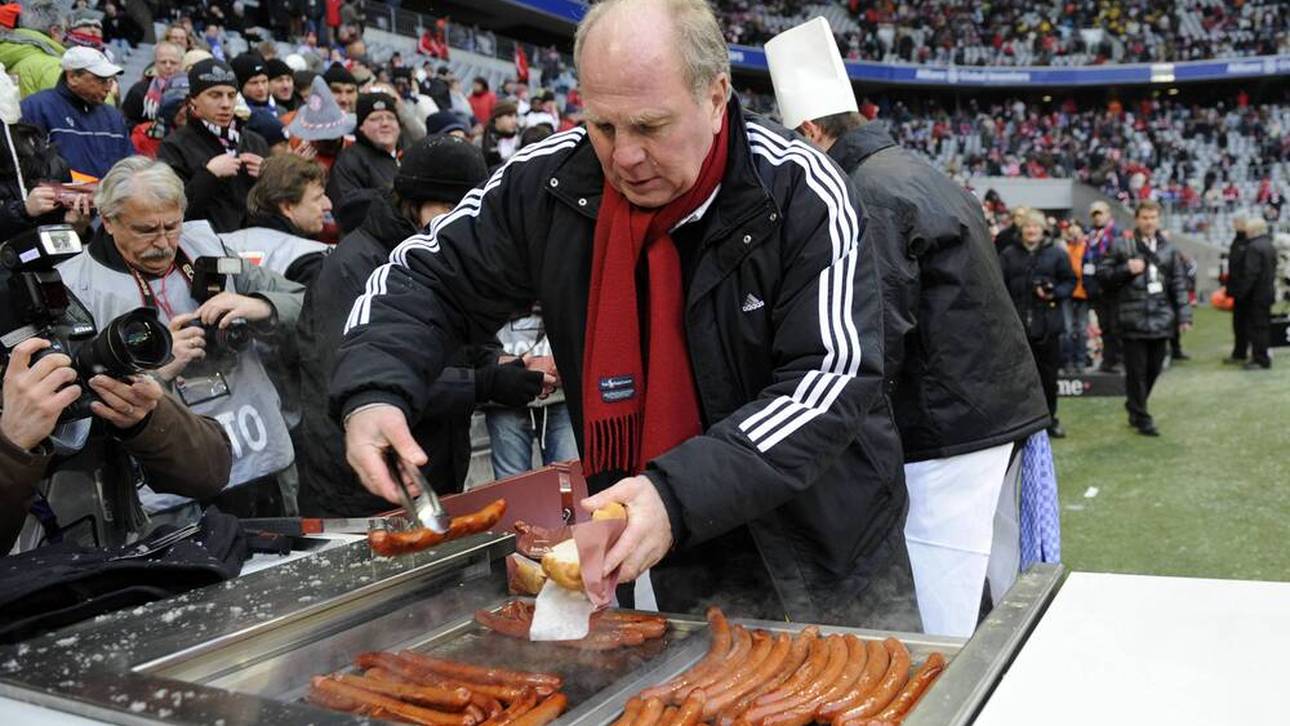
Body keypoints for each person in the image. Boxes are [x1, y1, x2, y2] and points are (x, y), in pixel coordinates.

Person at [332, 0, 918, 629]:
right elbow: (424, 276)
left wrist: (677, 493)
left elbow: (828, 377)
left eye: (651, 126)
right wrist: (373, 389)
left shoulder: (804, 194)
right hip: (653, 545)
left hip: (815, 555)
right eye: (604, 126)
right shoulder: (548, 181)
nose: (625, 157)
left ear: (717, 96)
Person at [766, 17, 1048, 638]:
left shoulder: (864, 192)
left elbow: (877, 331)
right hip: (997, 407)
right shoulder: (918, 170)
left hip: (947, 424)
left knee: (939, 595)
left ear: (813, 131)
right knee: (1007, 588)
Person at [296, 135, 549, 516]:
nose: (459, 221)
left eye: (470, 208)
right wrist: (484, 384)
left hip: (432, 467)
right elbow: (359, 378)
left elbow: (456, 331)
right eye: (448, 207)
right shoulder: (353, 267)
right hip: (365, 486)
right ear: (412, 204)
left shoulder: (451, 259)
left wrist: (498, 361)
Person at [56, 156, 305, 519]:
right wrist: (158, 369)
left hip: (259, 455)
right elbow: (73, 410)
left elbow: (304, 300)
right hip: (169, 492)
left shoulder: (207, 245)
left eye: (171, 225)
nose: (163, 243)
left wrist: (258, 305)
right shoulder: (74, 286)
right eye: (145, 230)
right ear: (108, 221)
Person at [0, 293, 230, 555]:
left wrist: (147, 421)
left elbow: (210, 474)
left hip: (117, 565)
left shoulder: (49, 303)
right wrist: (13, 445)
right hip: (30, 584)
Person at [1096, 201, 1192, 437]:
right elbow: (1103, 276)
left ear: (1158, 220)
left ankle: (1134, 405)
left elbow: (1179, 284)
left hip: (1161, 318)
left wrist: (1184, 315)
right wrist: (1126, 269)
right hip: (1132, 318)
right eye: (1145, 217)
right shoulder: (1122, 245)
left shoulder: (1169, 249)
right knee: (1136, 371)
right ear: (1136, 219)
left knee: (1154, 368)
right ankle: (1141, 415)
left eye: (1153, 217)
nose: (1149, 222)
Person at [157, 58, 270, 233]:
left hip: (253, 246)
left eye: (231, 95)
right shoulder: (174, 145)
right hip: (202, 250)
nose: (225, 104)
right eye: (215, 95)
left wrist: (270, 177)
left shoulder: (255, 142)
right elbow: (172, 212)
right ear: (193, 100)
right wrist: (209, 175)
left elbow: (277, 208)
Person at [999, 210, 1076, 439]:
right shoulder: (1008, 254)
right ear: (1021, 229)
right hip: (1017, 327)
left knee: (1048, 377)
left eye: (1035, 226)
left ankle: (1050, 419)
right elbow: (999, 286)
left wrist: (1054, 292)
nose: (1031, 230)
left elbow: (1070, 281)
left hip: (1048, 326)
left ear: (1043, 229)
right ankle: (1022, 422)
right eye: (1027, 226)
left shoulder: (1056, 254)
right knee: (1018, 378)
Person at [19, 46, 132, 180]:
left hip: (106, 199)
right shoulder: (36, 107)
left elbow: (129, 165)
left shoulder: (113, 117)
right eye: (101, 80)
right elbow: (25, 166)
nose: (108, 87)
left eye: (111, 80)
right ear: (72, 77)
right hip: (57, 198)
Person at [228, 154, 331, 283]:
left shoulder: (221, 244)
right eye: (317, 198)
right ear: (287, 207)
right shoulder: (310, 257)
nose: (328, 206)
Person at [325, 92, 399, 212]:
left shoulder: (409, 155)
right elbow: (347, 206)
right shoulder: (349, 161)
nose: (385, 123)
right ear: (361, 127)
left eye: (391, 118)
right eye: (375, 119)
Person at [1228, 217, 1275, 370]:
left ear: (1253, 230)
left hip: (1255, 296)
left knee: (1256, 329)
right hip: (1267, 293)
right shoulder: (1268, 245)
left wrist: (1241, 293)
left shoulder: (1253, 247)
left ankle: (1260, 359)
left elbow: (1250, 274)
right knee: (1262, 327)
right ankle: (1261, 357)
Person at [0, 0, 68, 98]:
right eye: (65, 35)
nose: (64, 41)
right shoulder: (52, 66)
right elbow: (64, 110)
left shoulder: (7, 53)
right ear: (55, 31)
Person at [1085, 200, 1121, 372]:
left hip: (1113, 285)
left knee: (1116, 326)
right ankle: (1108, 360)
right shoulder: (1090, 235)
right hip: (1097, 287)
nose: (1098, 218)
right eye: (1095, 215)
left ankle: (1119, 359)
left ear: (1108, 214)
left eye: (1101, 214)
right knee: (1104, 326)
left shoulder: (1116, 234)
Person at [122, 41, 183, 129]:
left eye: (173, 63)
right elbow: (126, 121)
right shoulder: (139, 90)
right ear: (155, 64)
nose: (168, 66)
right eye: (163, 62)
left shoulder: (190, 91)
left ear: (181, 64)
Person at [131, 74, 188, 158]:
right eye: (178, 105)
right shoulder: (143, 135)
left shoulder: (206, 138)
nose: (183, 111)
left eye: (190, 105)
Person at [1063, 222, 1091, 373]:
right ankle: (1067, 361)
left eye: (1077, 232)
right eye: (1071, 232)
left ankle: (1080, 361)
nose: (1074, 235)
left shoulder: (1087, 249)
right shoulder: (1063, 249)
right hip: (1067, 294)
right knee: (1066, 330)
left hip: (1083, 294)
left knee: (1082, 330)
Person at [1224, 217, 1252, 364]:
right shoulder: (1237, 242)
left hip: (1244, 292)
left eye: (1238, 223)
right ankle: (1239, 351)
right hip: (1237, 290)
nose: (1235, 225)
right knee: (1238, 323)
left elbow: (1246, 270)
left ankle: (1243, 351)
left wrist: (1242, 289)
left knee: (1245, 323)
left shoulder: (1247, 243)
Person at [231, 52, 275, 121]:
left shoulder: (280, 111)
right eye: (254, 83)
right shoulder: (233, 116)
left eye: (264, 81)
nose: (261, 88)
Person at [480, 99, 520, 168]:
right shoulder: (481, 141)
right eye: (509, 116)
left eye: (516, 116)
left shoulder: (519, 139)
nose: (514, 121)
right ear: (497, 118)